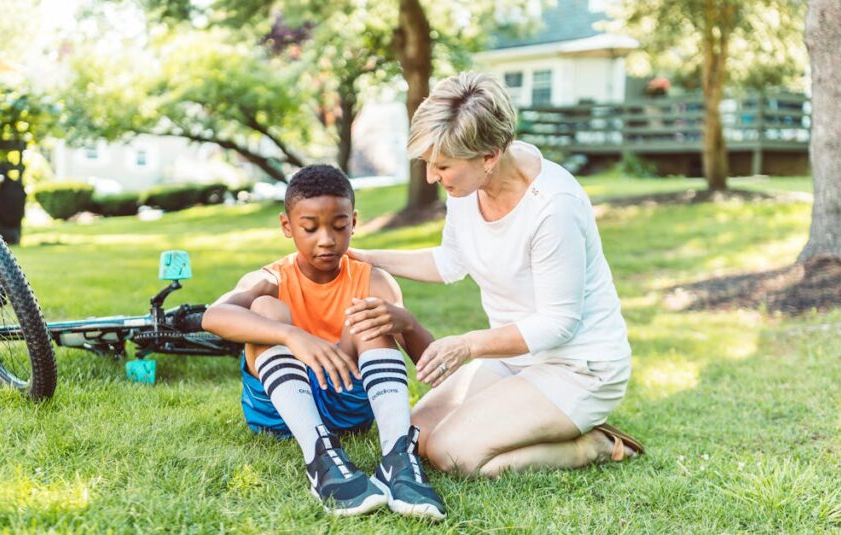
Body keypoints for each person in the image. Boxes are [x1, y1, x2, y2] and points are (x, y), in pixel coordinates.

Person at [345, 72, 645, 478]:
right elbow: (451, 261)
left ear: (489, 156)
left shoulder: (553, 207)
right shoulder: (468, 189)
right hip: (515, 360)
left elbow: (559, 323)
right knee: (414, 436)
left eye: (443, 166)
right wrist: (365, 257)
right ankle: (526, 419)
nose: (433, 177)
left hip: (578, 368)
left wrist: (468, 345)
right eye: (429, 163)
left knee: (454, 454)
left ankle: (591, 445)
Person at [201, 164, 446, 519]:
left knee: (370, 313)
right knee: (266, 310)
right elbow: (213, 316)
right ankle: (320, 459)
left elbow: (432, 366)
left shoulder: (372, 279)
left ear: (354, 221)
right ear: (287, 226)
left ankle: (397, 459)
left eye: (339, 225)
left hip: (348, 404)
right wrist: (291, 334)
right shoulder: (271, 278)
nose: (327, 239)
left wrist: (406, 322)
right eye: (310, 228)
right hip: (279, 414)